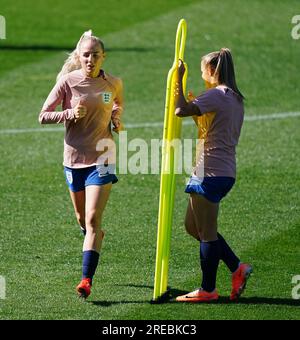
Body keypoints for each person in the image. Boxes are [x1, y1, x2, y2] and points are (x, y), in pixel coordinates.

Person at [39, 30, 124, 299]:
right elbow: (43, 115)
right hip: (74, 161)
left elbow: (116, 104)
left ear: (103, 57)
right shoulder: (68, 82)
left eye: (95, 55)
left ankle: (86, 280)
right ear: (79, 56)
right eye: (86, 55)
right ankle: (94, 235)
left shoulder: (113, 83)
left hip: (103, 158)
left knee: (92, 219)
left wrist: (116, 119)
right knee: (82, 221)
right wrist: (69, 114)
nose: (90, 59)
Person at [174, 48, 252, 302]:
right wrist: (200, 111)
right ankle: (237, 267)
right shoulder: (235, 98)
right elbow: (211, 129)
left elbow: (179, 111)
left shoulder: (215, 95)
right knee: (193, 226)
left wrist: (177, 79)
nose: (202, 75)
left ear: (213, 71)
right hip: (223, 171)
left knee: (206, 232)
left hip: (209, 171)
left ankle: (208, 289)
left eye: (202, 71)